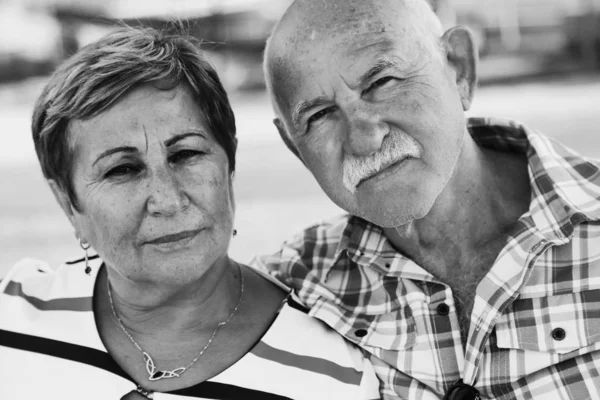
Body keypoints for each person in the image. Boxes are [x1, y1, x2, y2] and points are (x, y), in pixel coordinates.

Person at [0, 26, 380, 400]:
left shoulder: (333, 376)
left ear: (229, 166)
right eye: (122, 170)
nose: (167, 199)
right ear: (68, 202)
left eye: (186, 154)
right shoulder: (12, 319)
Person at [253, 0, 600, 399]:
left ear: (460, 69)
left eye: (382, 83)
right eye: (318, 116)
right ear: (296, 148)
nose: (363, 139)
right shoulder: (289, 291)